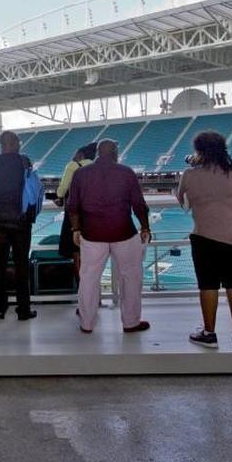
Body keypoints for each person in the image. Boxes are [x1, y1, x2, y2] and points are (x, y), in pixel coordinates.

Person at [176, 132, 232, 349]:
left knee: (208, 284)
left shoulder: (190, 174)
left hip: (205, 235)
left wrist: (193, 168)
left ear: (198, 150)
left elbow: (183, 203)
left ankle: (209, 333)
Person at [67, 139, 151, 334]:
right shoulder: (126, 172)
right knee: (130, 278)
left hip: (92, 233)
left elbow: (73, 207)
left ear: (97, 153)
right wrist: (145, 227)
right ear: (115, 153)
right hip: (123, 232)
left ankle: (87, 323)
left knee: (88, 278)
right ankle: (130, 323)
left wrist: (76, 230)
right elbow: (138, 204)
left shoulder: (81, 174)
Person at [0, 131, 36, 321]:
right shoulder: (24, 161)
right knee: (21, 265)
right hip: (21, 219)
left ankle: (0, 308)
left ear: (1, 144)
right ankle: (23, 310)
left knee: (0, 265)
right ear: (16, 143)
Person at [56, 143, 96, 283]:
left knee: (76, 251)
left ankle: (83, 291)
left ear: (80, 154)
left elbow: (62, 190)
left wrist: (60, 197)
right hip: (93, 214)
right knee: (92, 254)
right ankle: (94, 293)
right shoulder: (97, 167)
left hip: (75, 215)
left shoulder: (73, 166)